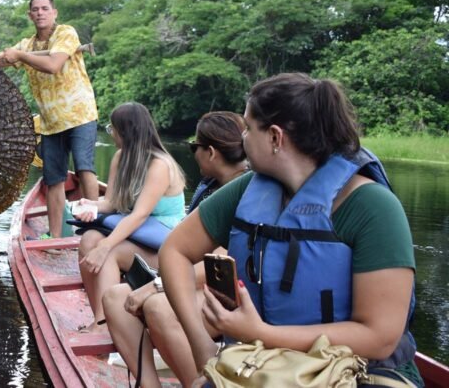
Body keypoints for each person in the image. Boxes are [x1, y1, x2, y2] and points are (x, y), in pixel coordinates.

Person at [159, 73, 420, 387]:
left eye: (247, 128)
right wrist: (201, 344)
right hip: (260, 363)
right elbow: (174, 250)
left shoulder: (372, 207)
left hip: (363, 371)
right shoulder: (246, 191)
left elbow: (379, 338)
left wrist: (260, 333)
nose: (241, 140)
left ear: (274, 137)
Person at [102, 111, 250, 388]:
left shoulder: (244, 192)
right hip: (193, 279)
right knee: (114, 297)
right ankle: (149, 383)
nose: (193, 154)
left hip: (229, 290)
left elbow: (222, 261)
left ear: (212, 153)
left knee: (158, 306)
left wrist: (157, 285)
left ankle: (196, 381)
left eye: (195, 148)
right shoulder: (210, 185)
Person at [71, 102, 186, 331]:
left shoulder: (159, 165)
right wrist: (89, 204)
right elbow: (113, 203)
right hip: (138, 237)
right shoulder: (121, 157)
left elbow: (140, 215)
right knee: (88, 240)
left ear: (125, 131)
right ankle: (101, 319)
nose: (111, 132)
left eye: (112, 128)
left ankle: (107, 325)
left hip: (164, 247)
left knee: (108, 250)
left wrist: (105, 245)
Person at [0, 0, 99, 238]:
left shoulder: (65, 33)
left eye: (44, 8)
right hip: (51, 123)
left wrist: (19, 56)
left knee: (84, 169)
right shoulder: (27, 45)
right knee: (54, 180)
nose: (40, 13)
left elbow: (53, 65)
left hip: (79, 115)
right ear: (30, 15)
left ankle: (95, 230)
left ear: (54, 13)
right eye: (35, 9)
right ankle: (55, 237)